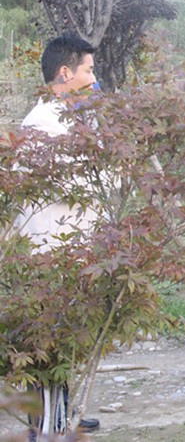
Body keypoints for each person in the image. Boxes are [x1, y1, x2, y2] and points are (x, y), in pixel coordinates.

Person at [14, 34, 101, 435]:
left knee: (65, 343)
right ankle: (46, 429)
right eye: (89, 70)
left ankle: (62, 415)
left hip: (71, 250)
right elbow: (82, 185)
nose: (94, 78)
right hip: (48, 254)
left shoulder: (70, 119)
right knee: (45, 348)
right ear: (65, 72)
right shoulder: (42, 125)